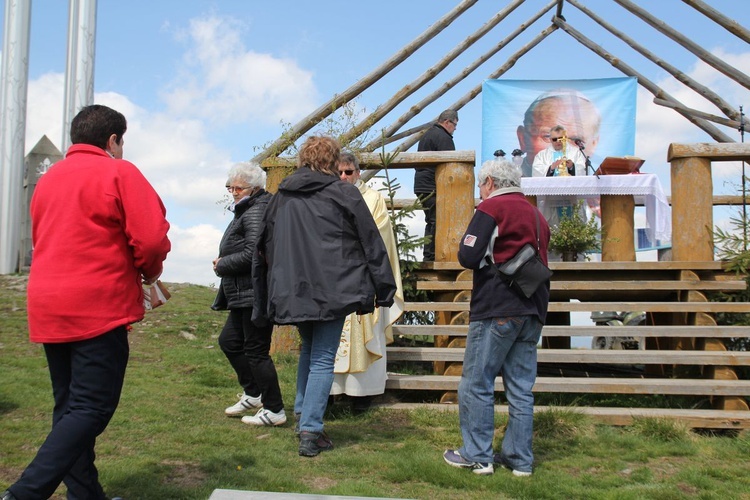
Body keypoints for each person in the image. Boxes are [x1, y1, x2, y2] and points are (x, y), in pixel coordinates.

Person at [3, 104, 171, 500]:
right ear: (113, 140)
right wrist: (150, 269)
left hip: (48, 302)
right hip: (97, 303)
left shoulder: (50, 177)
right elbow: (150, 238)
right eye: (122, 141)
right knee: (91, 408)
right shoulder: (118, 171)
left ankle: (85, 495)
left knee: (69, 408)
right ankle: (23, 494)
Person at [254, 136, 396, 457]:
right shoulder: (343, 192)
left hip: (295, 289)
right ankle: (311, 431)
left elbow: (265, 246)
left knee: (309, 351)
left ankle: (304, 415)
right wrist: (384, 287)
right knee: (322, 358)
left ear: (303, 159)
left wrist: (271, 288)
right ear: (332, 161)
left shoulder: (282, 197)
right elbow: (370, 241)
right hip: (334, 286)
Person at [443, 158, 550, 477]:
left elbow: (468, 256)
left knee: (476, 382)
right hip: (533, 309)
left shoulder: (491, 208)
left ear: (490, 182)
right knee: (520, 388)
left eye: (480, 183)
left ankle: (478, 455)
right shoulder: (536, 214)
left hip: (497, 306)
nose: (479, 189)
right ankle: (520, 461)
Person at [212, 162, 286, 426]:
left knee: (256, 351)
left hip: (254, 293)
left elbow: (253, 253)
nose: (233, 191)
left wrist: (222, 264)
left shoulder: (256, 211)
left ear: (254, 188)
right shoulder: (247, 208)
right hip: (243, 293)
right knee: (230, 342)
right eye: (230, 187)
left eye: (238, 187)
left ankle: (275, 409)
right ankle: (253, 393)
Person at [331, 152, 404, 413]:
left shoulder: (373, 199)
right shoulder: (328, 196)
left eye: (348, 172)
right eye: (338, 172)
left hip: (363, 277)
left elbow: (379, 234)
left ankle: (361, 396)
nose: (343, 177)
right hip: (334, 279)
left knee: (365, 332)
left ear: (358, 173)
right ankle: (331, 394)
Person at [516, 89, 601, 178]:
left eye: (576, 140)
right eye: (547, 136)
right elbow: (537, 174)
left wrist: (572, 167)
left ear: (594, 144)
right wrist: (551, 168)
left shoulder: (577, 154)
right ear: (523, 139)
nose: (560, 142)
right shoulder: (542, 156)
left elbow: (583, 173)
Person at [414, 109, 458, 261]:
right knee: (437, 220)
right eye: (454, 124)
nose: (455, 129)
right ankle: (433, 256)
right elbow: (451, 164)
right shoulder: (444, 137)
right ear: (447, 122)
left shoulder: (427, 135)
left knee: (431, 220)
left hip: (420, 184)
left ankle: (429, 255)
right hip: (433, 185)